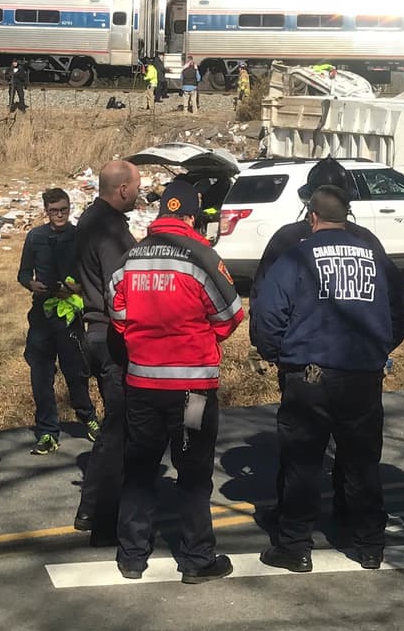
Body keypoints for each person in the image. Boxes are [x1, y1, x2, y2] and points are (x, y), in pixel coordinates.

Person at [250, 187, 404, 573]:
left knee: (303, 463)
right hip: (363, 376)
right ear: (347, 217)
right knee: (362, 463)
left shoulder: (297, 256)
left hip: (310, 376)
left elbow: (268, 316)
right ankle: (370, 545)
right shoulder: (374, 256)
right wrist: (379, 346)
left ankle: (295, 546)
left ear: (312, 216)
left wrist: (278, 355)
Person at [109, 181, 244, 583]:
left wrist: (144, 340)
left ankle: (131, 556)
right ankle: (197, 558)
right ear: (189, 217)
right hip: (192, 390)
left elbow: (117, 313)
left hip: (143, 385)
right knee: (193, 471)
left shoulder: (130, 258)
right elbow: (230, 315)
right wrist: (198, 338)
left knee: (139, 469)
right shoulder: (201, 255)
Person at [249, 156, 387, 524]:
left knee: (300, 453)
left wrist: (276, 351)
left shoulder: (287, 240)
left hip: (303, 367)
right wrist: (378, 347)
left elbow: (263, 302)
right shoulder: (367, 241)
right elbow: (399, 305)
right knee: (358, 454)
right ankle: (358, 526)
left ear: (310, 202)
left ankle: (293, 532)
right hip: (360, 368)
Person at [72, 160, 141, 545]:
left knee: (118, 425)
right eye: (137, 187)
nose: (140, 193)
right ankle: (99, 511)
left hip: (96, 331)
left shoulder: (90, 221)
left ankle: (98, 506)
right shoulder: (110, 231)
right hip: (112, 334)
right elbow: (123, 289)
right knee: (118, 427)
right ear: (123, 189)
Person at [17, 188, 100, 455]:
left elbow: (92, 274)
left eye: (64, 210)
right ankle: (47, 431)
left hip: (70, 314)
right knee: (41, 375)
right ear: (46, 211)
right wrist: (32, 285)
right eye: (54, 211)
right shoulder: (35, 236)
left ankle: (88, 417)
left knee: (76, 371)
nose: (60, 215)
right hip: (42, 314)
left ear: (70, 208)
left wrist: (76, 290)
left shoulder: (79, 236)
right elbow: (22, 273)